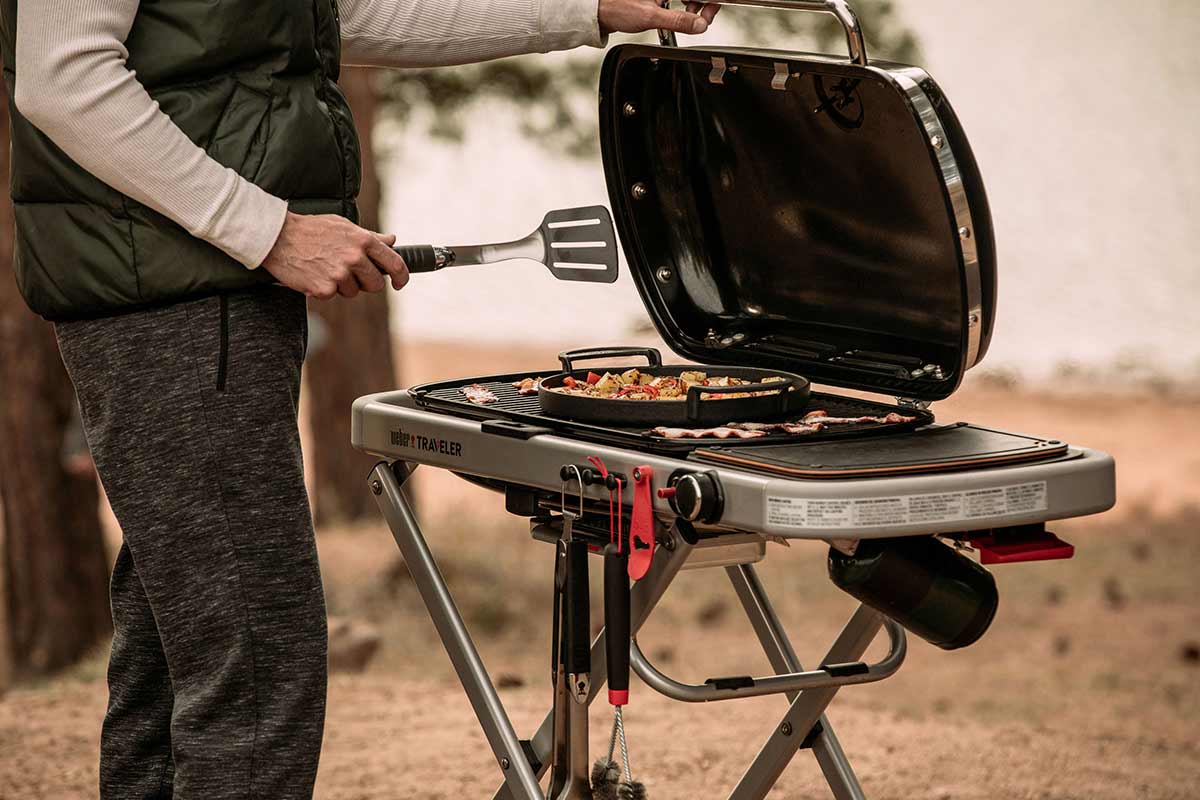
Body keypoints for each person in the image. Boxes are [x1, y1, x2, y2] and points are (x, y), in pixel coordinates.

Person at [0, 0, 719, 797]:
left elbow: (338, 12)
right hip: (175, 295)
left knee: (176, 650)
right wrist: (270, 231)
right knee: (256, 667)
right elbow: (62, 76)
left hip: (195, 284)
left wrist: (589, 9)